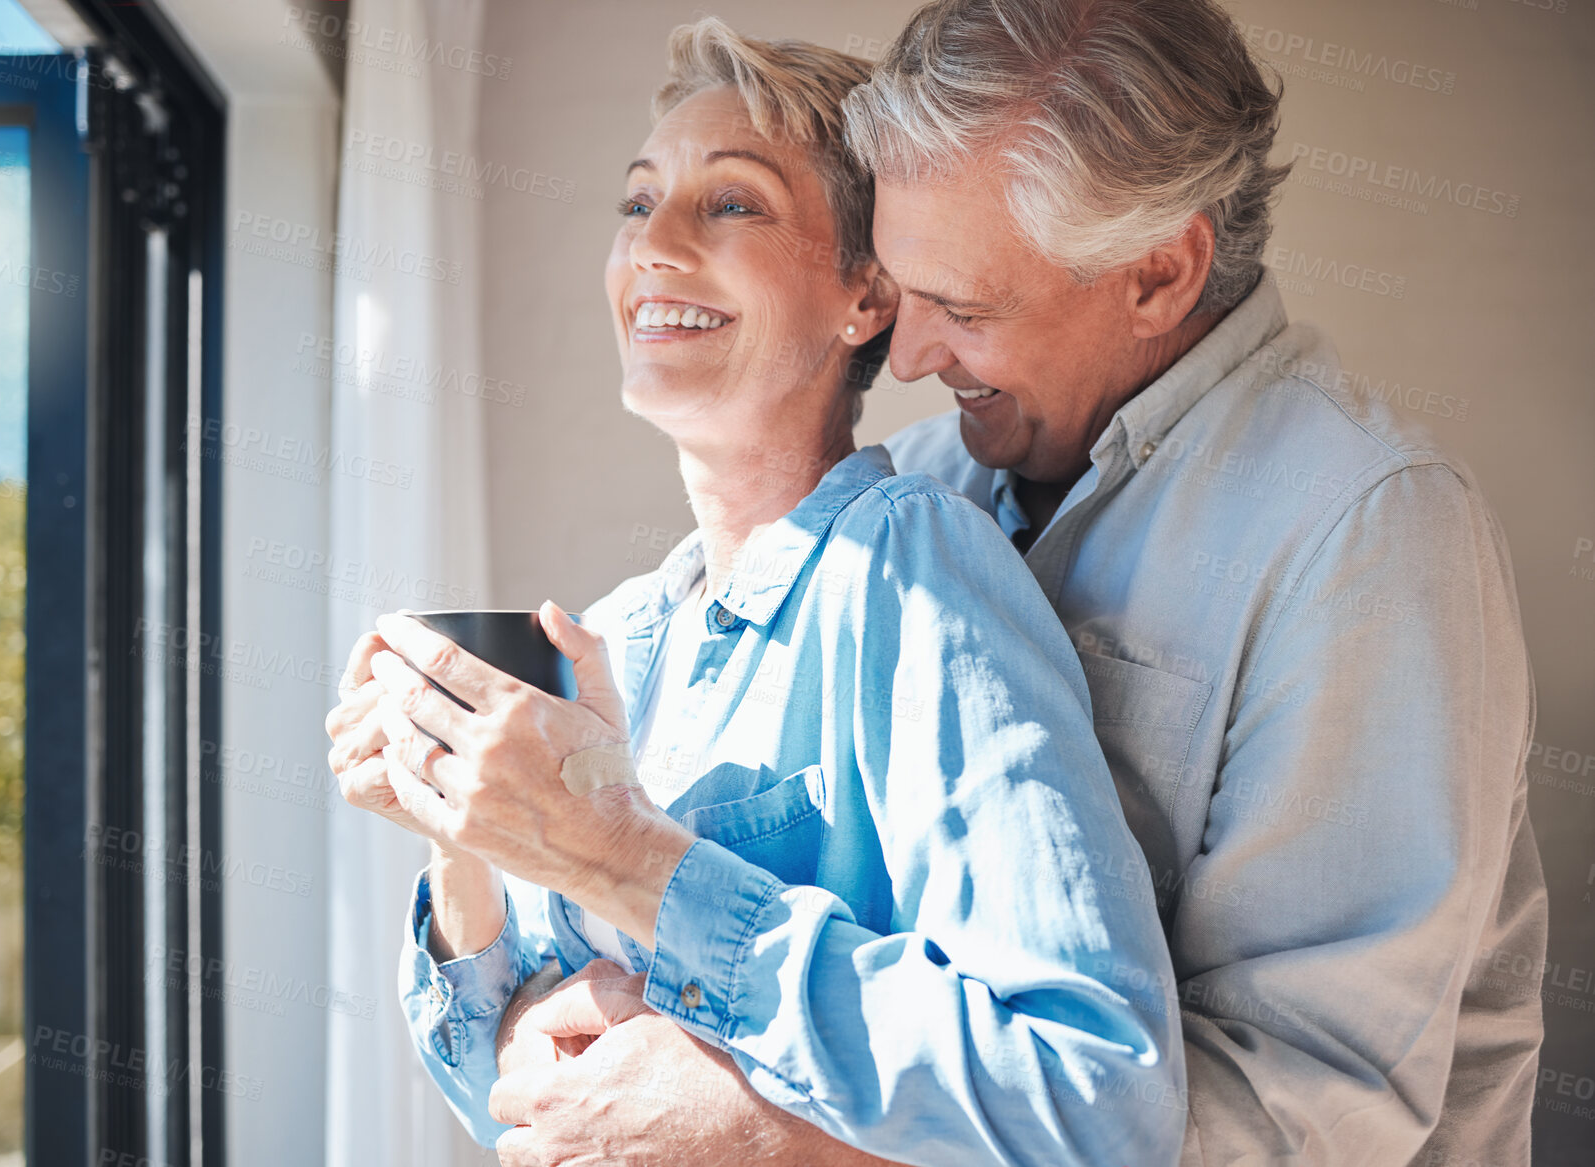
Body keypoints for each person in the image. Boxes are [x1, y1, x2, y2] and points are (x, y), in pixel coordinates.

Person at [479, 1, 1548, 1165]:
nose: (916, 354)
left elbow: (1317, 1108)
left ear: (1158, 270)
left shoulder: (1365, 531)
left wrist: (780, 1141)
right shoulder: (920, 494)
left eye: (966, 307)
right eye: (901, 287)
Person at [326, 18, 1185, 1167]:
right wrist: (460, 839)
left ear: (864, 297)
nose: (655, 248)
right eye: (637, 205)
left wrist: (619, 855)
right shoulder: (621, 633)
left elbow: (1092, 1100)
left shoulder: (913, 572)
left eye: (730, 204)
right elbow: (512, 1110)